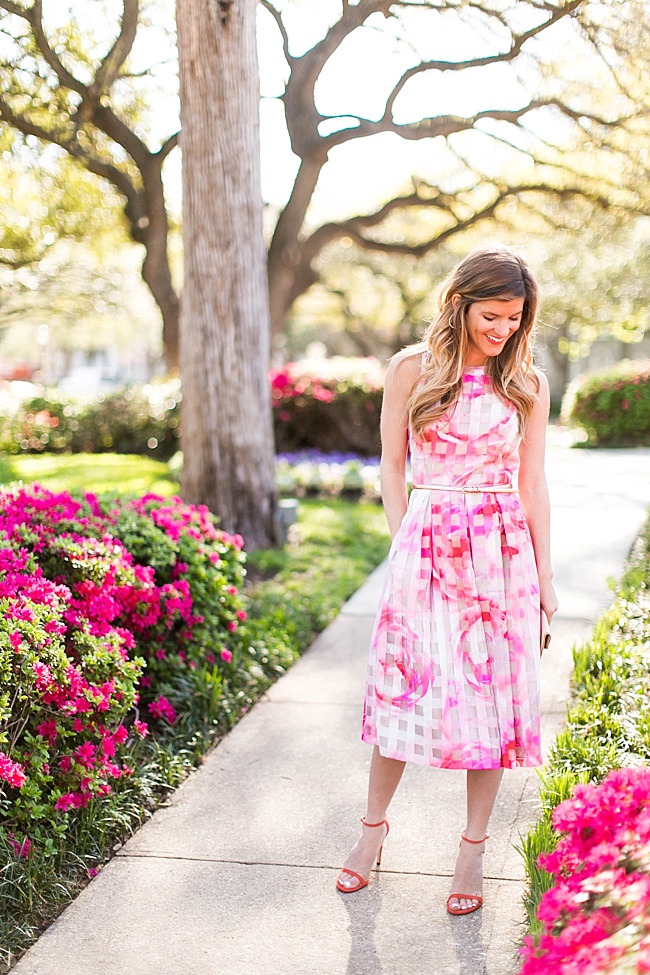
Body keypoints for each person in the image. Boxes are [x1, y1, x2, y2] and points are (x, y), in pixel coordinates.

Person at [336, 247, 558, 915]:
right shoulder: (412, 370)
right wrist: (405, 540)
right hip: (426, 544)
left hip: (501, 553)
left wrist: (546, 578)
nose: (504, 331)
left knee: (491, 705)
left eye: (515, 320)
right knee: (401, 687)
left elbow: (533, 482)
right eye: (493, 316)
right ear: (459, 304)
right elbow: (390, 463)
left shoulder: (528, 384)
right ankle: (372, 832)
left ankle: (472, 848)